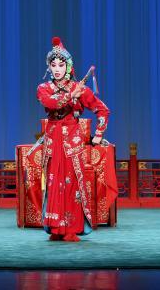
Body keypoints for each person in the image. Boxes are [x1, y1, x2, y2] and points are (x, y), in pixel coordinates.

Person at [37, 37, 110, 242]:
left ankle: (71, 229)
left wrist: (98, 134)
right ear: (49, 67)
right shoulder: (43, 88)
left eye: (61, 65)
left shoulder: (80, 89)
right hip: (53, 140)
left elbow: (103, 110)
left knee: (72, 184)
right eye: (53, 65)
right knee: (54, 183)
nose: (57, 69)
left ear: (68, 67)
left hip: (72, 141)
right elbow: (51, 104)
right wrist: (71, 96)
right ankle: (55, 228)